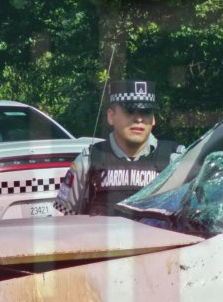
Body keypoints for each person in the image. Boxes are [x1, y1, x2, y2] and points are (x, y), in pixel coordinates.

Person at [54, 79, 183, 216]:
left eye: (146, 112)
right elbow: (66, 220)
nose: (139, 119)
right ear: (111, 116)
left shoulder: (175, 161)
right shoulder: (88, 161)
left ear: (153, 119)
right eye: (130, 110)